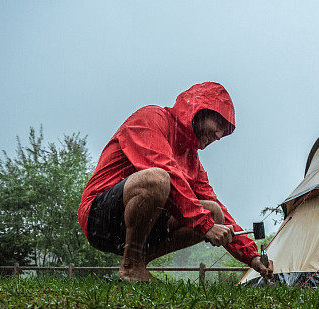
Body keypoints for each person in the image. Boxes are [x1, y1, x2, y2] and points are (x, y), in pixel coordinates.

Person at [77, 82, 274, 283]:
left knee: (214, 213)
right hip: (100, 219)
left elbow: (216, 211)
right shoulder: (151, 118)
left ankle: (138, 263)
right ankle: (131, 266)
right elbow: (166, 173)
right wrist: (205, 225)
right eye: (219, 124)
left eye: (224, 131)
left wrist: (252, 256)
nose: (219, 136)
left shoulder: (193, 161)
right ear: (200, 110)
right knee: (157, 179)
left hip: (144, 225)